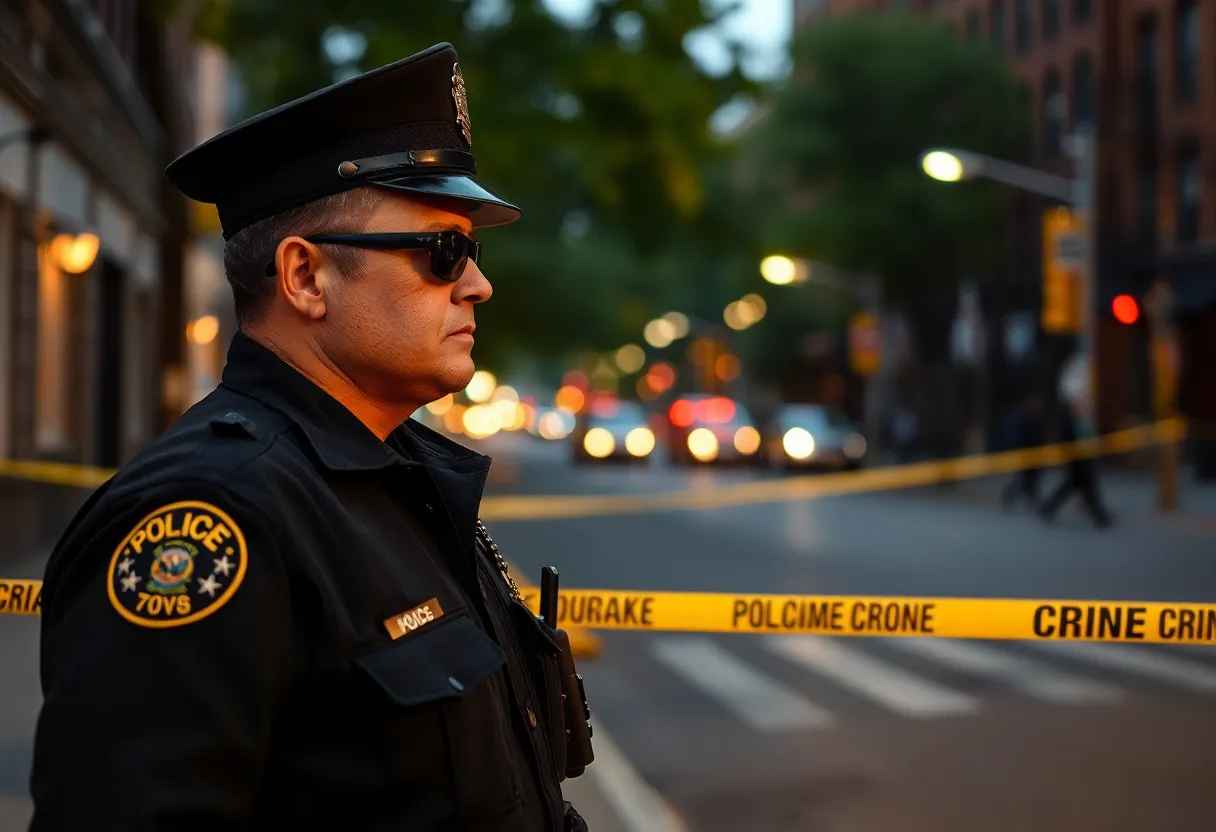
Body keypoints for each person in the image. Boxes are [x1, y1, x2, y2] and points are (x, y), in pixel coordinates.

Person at [29, 43, 589, 831]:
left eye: (473, 250)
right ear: (303, 278)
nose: (477, 283)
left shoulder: (402, 482)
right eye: (441, 252)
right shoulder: (213, 515)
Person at [1039, 398, 1113, 528]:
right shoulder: (1068, 424)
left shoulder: (1080, 422)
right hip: (1077, 464)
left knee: (1076, 490)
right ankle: (1101, 517)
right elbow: (1067, 444)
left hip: (1082, 463)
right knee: (1087, 491)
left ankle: (1048, 508)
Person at [1000, 392, 1045, 509]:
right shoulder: (1023, 418)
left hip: (1034, 456)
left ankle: (1032, 499)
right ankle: (1012, 495)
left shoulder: (1036, 419)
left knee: (1030, 481)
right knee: (1023, 481)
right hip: (1024, 455)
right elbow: (1018, 437)